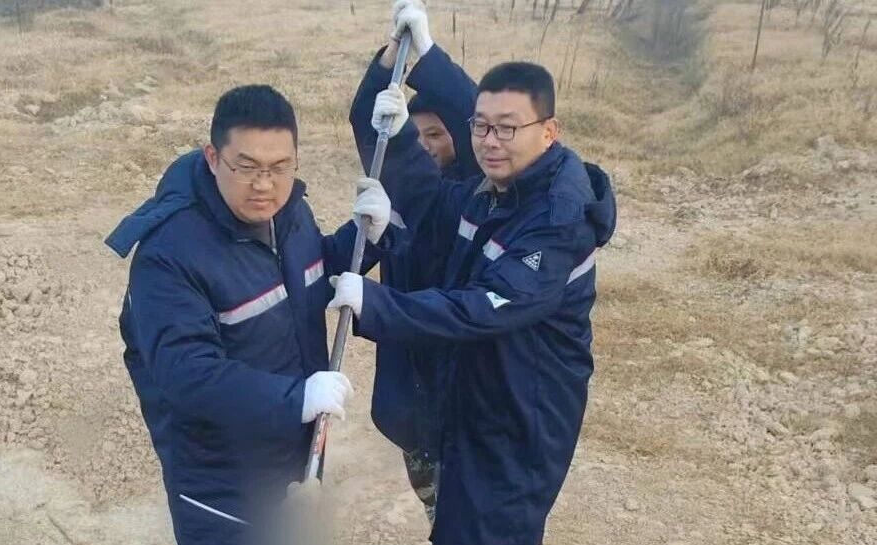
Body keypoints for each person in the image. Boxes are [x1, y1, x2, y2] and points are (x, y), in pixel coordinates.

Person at [332, 3, 619, 542]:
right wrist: (403, 84)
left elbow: (485, 307)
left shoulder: (555, 218)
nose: (489, 141)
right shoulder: (497, 189)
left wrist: (376, 304)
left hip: (519, 421)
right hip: (475, 401)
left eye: (508, 128)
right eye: (481, 127)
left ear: (549, 131)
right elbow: (433, 201)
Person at [104, 84, 398, 545]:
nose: (264, 185)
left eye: (280, 167)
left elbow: (304, 275)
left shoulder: (289, 214)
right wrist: (296, 399)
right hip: (224, 486)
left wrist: (366, 237)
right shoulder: (169, 256)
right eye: (247, 167)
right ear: (213, 158)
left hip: (294, 452)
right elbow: (186, 374)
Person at [346, 0, 482, 523]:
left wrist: (428, 56)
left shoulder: (479, 196)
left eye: (437, 135)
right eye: (415, 134)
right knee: (437, 511)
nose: (423, 146)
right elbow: (370, 127)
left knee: (465, 519)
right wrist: (391, 61)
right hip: (411, 393)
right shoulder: (405, 184)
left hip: (462, 397)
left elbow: (475, 117)